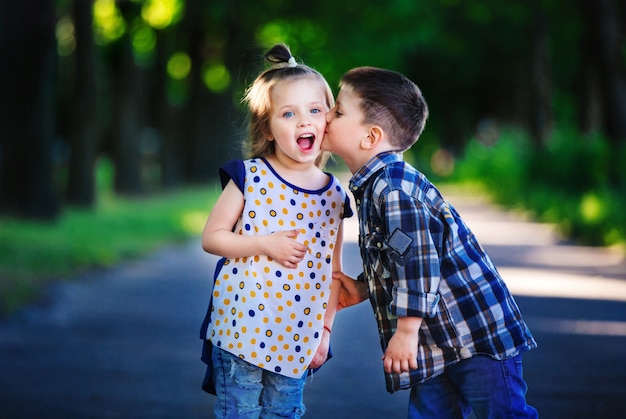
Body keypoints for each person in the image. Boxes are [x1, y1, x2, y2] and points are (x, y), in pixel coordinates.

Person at [322, 66, 538, 419]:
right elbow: (398, 254)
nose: (326, 116)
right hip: (436, 342)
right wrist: (364, 287)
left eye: (338, 111)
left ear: (371, 137)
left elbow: (417, 264)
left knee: (501, 413)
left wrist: (405, 332)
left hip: (474, 337)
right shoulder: (377, 185)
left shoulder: (392, 189)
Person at [198, 44, 352, 419]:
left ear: (328, 121)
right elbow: (212, 237)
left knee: (285, 413)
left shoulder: (334, 196)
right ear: (267, 127)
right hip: (242, 332)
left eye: (315, 111)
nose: (304, 122)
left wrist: (325, 331)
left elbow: (332, 274)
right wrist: (264, 244)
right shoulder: (250, 177)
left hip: (296, 338)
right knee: (240, 413)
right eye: (288, 114)